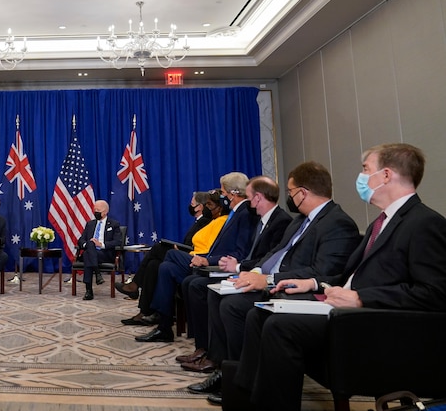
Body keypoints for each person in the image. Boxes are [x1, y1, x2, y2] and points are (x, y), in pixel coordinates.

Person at [235, 144, 446, 411]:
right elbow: (349, 276)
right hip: (344, 309)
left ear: (386, 175)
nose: (361, 177)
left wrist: (361, 298)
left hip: (373, 323)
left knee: (280, 327)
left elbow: (435, 293)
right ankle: (248, 399)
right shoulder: (381, 222)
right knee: (260, 314)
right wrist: (314, 284)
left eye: (366, 169)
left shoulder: (425, 223)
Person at [188, 161, 360, 404]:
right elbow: (276, 253)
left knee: (234, 306)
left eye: (290, 192)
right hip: (273, 282)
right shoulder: (300, 220)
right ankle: (226, 371)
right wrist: (254, 272)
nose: (288, 198)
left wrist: (267, 279)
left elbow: (323, 272)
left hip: (293, 291)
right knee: (218, 294)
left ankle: (240, 382)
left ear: (303, 192)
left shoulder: (337, 224)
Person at [177, 176, 293, 372]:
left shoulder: (281, 221)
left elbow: (271, 259)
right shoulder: (264, 220)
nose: (246, 203)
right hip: (249, 271)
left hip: (265, 281)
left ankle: (226, 365)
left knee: (209, 291)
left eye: (248, 198)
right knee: (203, 287)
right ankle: (213, 356)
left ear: (257, 198)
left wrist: (240, 268)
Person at [136, 172, 255, 343]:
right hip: (206, 259)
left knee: (168, 254)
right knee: (165, 267)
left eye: (222, 192)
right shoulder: (235, 214)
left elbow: (240, 252)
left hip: (216, 266)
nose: (221, 196)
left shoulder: (244, 214)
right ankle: (164, 326)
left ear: (233, 192)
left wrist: (207, 260)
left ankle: (154, 313)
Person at [118, 190, 215, 324]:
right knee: (153, 265)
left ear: (200, 206)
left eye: (192, 203)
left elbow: (200, 247)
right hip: (185, 255)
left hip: (191, 260)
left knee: (158, 248)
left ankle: (134, 285)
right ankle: (145, 312)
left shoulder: (205, 222)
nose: (190, 205)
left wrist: (179, 249)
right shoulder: (198, 221)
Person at [76, 200, 122, 300]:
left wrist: (101, 244)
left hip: (104, 253)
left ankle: (89, 290)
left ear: (105, 211)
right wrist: (88, 244)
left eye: (98, 210)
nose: (95, 212)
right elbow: (81, 240)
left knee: (88, 254)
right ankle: (97, 273)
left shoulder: (114, 224)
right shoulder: (90, 224)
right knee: (90, 246)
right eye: (94, 210)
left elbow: (118, 242)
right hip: (91, 252)